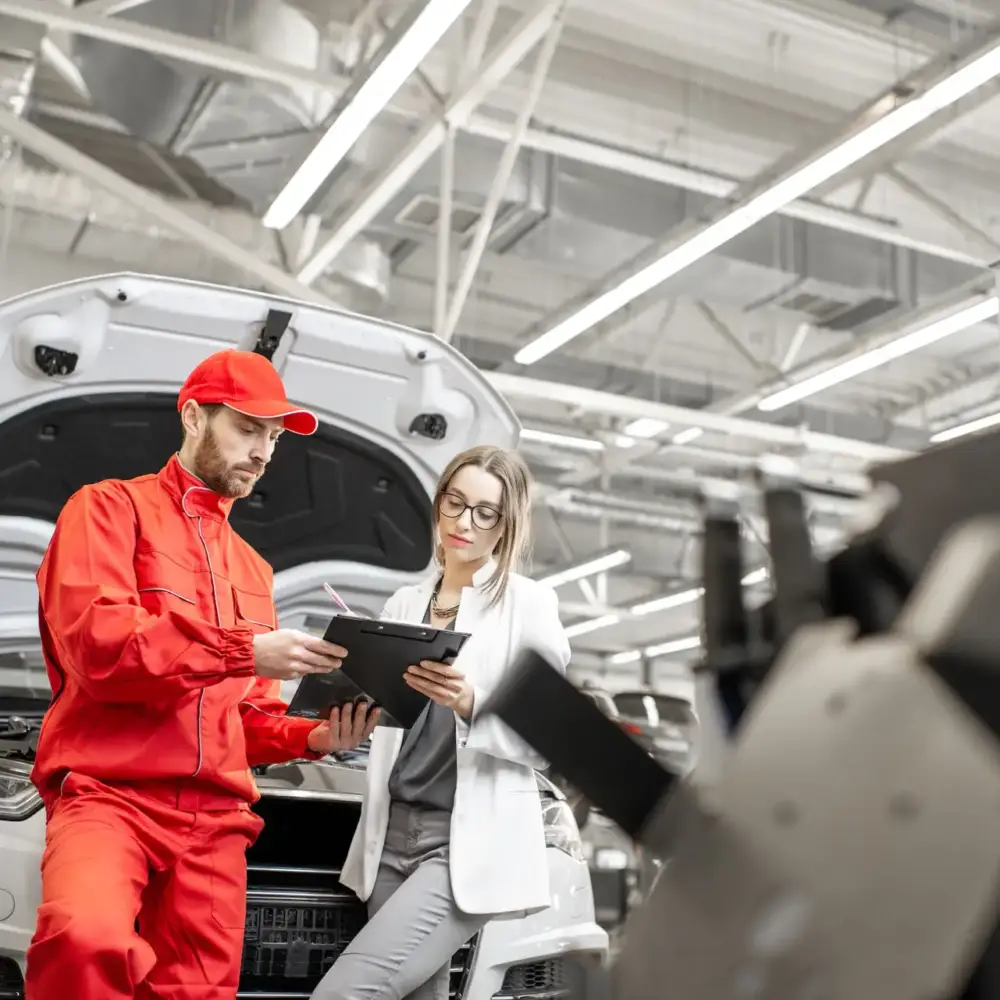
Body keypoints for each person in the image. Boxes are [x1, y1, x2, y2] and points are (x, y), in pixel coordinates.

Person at [24, 349, 379, 1000]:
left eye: (272, 438)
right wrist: (244, 649)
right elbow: (101, 647)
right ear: (193, 416)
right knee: (83, 938)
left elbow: (245, 721)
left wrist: (314, 738)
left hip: (215, 826)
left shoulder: (254, 571)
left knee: (195, 993)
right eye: (248, 428)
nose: (263, 451)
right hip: (111, 796)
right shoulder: (106, 511)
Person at [311, 444, 571, 1000]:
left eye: (485, 512)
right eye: (455, 502)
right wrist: (348, 718)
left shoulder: (528, 604)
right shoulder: (404, 603)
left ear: (506, 525)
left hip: (462, 845)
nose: (464, 522)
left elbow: (553, 734)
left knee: (344, 993)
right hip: (390, 834)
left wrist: (474, 701)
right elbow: (388, 718)